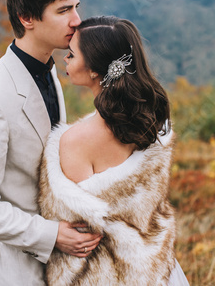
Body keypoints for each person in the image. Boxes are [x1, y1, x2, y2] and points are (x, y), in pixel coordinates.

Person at [0, 0, 101, 286]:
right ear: (26, 18)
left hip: (63, 267)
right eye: (63, 10)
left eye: (77, 7)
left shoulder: (52, 69)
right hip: (15, 268)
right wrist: (52, 236)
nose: (77, 20)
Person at [38, 16, 190, 285]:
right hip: (157, 271)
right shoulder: (150, 123)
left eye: (72, 55)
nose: (65, 60)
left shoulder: (75, 141)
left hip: (108, 275)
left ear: (95, 69)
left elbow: (78, 227)